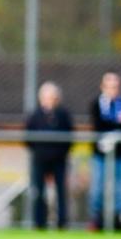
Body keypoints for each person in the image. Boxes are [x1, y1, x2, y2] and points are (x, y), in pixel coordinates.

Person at [25, 82, 73, 230]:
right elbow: (28, 138)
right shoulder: (35, 115)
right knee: (38, 192)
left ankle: (62, 223)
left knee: (61, 193)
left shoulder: (63, 115)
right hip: (40, 160)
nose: (50, 100)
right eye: (47, 97)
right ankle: (39, 223)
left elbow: (69, 138)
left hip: (59, 160)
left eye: (53, 97)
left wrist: (59, 152)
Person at [89, 72, 121, 231]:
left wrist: (117, 125)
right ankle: (96, 219)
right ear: (103, 87)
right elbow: (99, 125)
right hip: (100, 155)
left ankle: (120, 220)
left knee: (120, 189)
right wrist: (117, 123)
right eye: (109, 86)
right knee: (98, 188)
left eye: (115, 86)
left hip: (120, 154)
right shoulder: (96, 104)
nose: (113, 89)